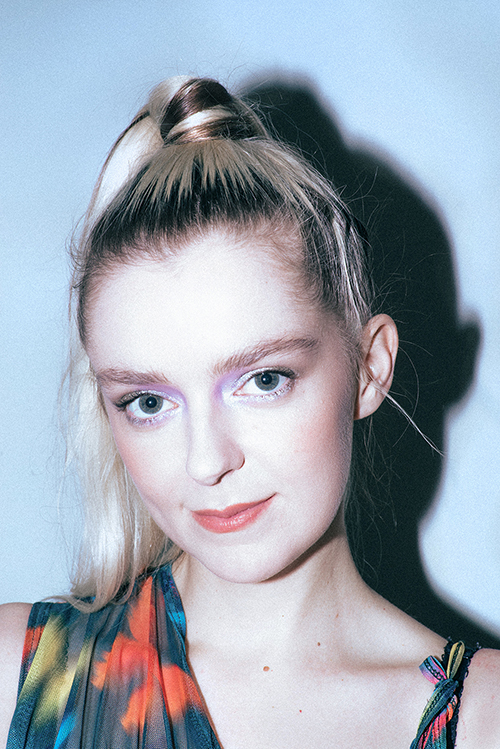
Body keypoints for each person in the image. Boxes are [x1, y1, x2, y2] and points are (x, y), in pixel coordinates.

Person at [0, 76, 499, 749]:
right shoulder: (16, 679)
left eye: (263, 379)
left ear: (370, 367)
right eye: (148, 402)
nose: (207, 461)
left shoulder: (483, 720)